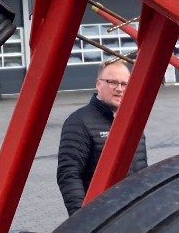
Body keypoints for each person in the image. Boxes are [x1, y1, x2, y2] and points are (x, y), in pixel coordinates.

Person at [56, 58, 148, 216]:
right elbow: (69, 174)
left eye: (124, 84)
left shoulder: (133, 122)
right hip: (100, 216)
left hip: (133, 214)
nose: (119, 89)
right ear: (98, 84)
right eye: (112, 82)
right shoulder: (79, 122)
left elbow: (142, 169)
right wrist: (82, 219)